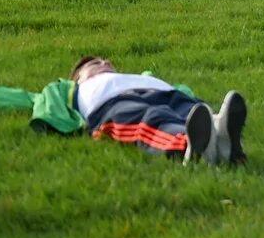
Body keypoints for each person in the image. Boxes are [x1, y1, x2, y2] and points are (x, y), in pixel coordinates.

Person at [73, 55, 247, 164]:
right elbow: (49, 108)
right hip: (115, 103)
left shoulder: (136, 77)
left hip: (166, 93)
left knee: (193, 110)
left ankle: (221, 138)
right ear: (78, 77)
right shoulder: (73, 89)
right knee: (153, 118)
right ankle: (189, 145)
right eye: (95, 63)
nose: (105, 62)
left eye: (106, 61)